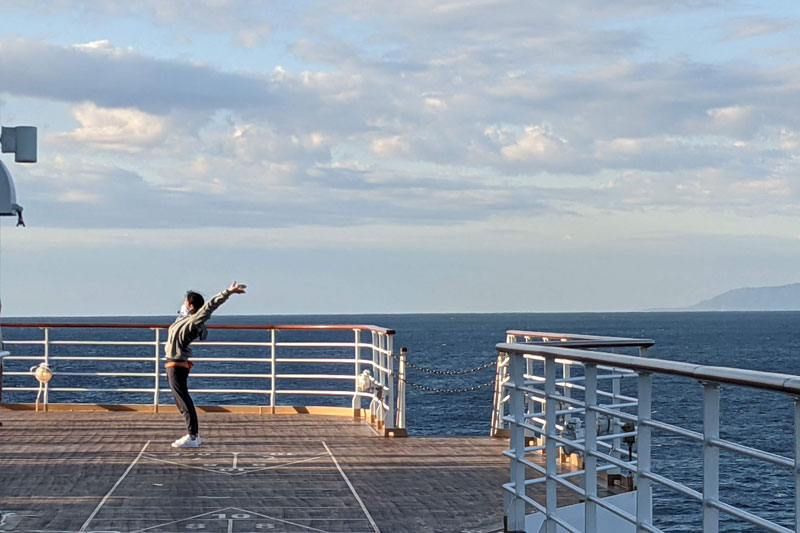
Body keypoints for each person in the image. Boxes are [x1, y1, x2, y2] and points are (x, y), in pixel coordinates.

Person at [165, 281, 247, 448]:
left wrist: (227, 292)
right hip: (174, 363)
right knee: (181, 400)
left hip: (177, 364)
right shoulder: (185, 320)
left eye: (185, 302)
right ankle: (193, 435)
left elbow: (210, 307)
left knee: (184, 400)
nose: (183, 305)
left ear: (192, 306)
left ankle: (193, 436)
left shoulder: (194, 321)